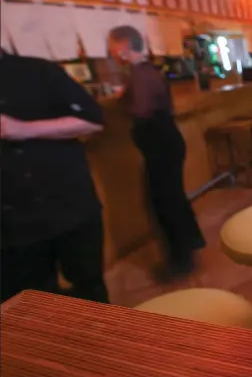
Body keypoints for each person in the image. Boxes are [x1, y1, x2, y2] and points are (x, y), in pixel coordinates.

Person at [0, 49, 109, 304]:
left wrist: (22, 129)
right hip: (10, 226)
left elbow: (92, 121)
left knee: (90, 288)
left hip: (70, 208)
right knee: (30, 305)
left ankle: (104, 341)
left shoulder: (37, 70)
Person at [107, 26, 206, 274]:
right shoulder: (145, 72)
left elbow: (141, 110)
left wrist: (123, 100)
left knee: (163, 202)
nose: (111, 53)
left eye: (112, 47)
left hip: (161, 147)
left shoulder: (141, 74)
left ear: (124, 46)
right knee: (170, 200)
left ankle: (180, 262)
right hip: (166, 144)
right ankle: (186, 252)